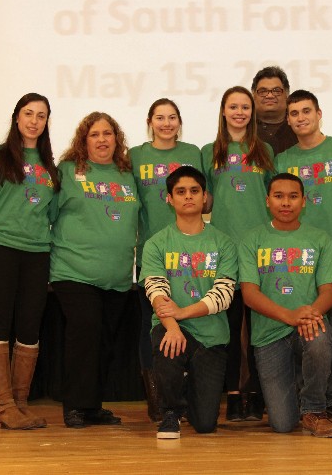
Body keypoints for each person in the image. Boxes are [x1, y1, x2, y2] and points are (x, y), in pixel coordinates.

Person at [274, 89, 332, 422]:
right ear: (288, 120)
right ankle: (306, 398)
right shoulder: (283, 160)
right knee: (302, 327)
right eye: (294, 113)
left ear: (319, 113)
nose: (300, 118)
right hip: (296, 260)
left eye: (306, 111)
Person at [49, 112, 140, 428]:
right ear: (83, 140)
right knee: (85, 333)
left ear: (117, 139)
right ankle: (75, 406)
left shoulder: (127, 174)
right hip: (73, 270)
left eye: (108, 134)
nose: (102, 140)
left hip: (115, 276)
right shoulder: (68, 171)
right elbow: (43, 210)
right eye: (94, 134)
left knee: (104, 342)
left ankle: (92, 407)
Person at [240, 173, 332, 438]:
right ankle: (296, 394)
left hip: (308, 325)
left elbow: (329, 291)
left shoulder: (320, 239)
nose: (286, 203)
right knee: (283, 424)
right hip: (269, 334)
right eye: (279, 196)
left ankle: (314, 410)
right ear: (267, 201)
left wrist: (310, 315)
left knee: (319, 337)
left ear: (304, 201)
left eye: (293, 196)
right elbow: (250, 294)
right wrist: (289, 316)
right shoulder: (252, 239)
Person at [0, 93, 60, 430]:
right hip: (0, 248)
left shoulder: (49, 166)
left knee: (29, 327)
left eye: (41, 116)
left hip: (38, 252)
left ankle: (20, 402)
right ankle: (3, 405)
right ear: (16, 117)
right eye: (28, 113)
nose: (34, 121)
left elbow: (53, 215)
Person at [139, 166, 237, 439]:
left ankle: (190, 394)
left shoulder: (224, 243)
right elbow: (156, 290)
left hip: (211, 336)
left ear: (205, 197)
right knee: (167, 341)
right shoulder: (156, 243)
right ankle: (170, 412)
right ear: (169, 198)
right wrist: (172, 325)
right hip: (172, 328)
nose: (188, 197)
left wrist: (182, 312)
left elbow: (224, 294)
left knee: (205, 424)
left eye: (194, 191)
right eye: (180, 192)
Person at [201, 86, 274, 422]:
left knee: (260, 326)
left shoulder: (265, 150)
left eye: (245, 107)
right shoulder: (208, 151)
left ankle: (258, 393)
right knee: (229, 327)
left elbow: (273, 198)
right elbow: (208, 201)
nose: (240, 112)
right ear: (224, 110)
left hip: (259, 250)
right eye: (234, 106)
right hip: (224, 250)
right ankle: (232, 396)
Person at [130, 98, 202, 422]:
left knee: (190, 321)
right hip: (152, 252)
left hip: (193, 255)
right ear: (150, 121)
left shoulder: (193, 153)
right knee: (153, 326)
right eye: (160, 117)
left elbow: (204, 197)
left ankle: (185, 397)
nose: (166, 123)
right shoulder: (136, 156)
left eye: (172, 117)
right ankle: (157, 399)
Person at [252, 66, 297, 155]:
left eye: (276, 91)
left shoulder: (300, 126)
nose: (269, 96)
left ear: (287, 95)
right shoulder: (243, 127)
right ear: (253, 96)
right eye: (263, 91)